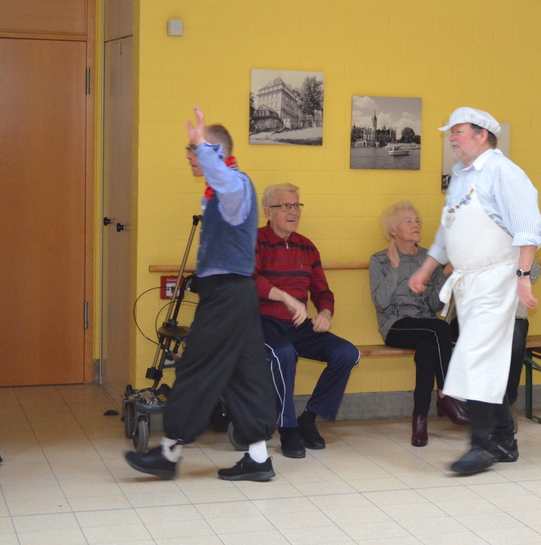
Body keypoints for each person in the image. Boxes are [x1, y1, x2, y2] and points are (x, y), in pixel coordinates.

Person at [125, 106, 277, 481]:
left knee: (195, 366)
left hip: (228, 295)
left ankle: (169, 452)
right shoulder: (218, 193)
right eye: (192, 150)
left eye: (195, 150)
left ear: (216, 153)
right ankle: (259, 460)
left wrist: (203, 148)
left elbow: (224, 180)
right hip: (233, 294)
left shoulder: (236, 186)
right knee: (244, 373)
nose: (191, 157)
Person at [409, 106, 541, 475]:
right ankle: (504, 439)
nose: (452, 138)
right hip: (468, 284)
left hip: (497, 278)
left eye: (459, 131)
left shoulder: (504, 173)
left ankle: (482, 445)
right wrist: (425, 270)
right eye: (450, 132)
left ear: (482, 135)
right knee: (486, 358)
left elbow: (529, 229)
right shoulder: (460, 176)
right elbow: (447, 230)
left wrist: (523, 275)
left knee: (474, 356)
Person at [254, 183, 361, 459]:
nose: (293, 211)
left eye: (296, 205)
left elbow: (323, 292)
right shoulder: (255, 241)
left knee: (347, 353)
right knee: (284, 354)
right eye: (285, 206)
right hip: (263, 324)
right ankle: (287, 428)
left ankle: (308, 419)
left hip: (299, 326)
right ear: (268, 212)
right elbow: (249, 281)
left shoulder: (307, 246)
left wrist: (325, 313)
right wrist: (285, 298)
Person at [369, 200, 469, 447]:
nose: (416, 225)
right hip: (396, 325)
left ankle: (420, 423)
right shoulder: (380, 260)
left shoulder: (428, 258)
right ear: (393, 230)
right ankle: (446, 394)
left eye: (417, 221)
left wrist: (443, 275)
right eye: (408, 222)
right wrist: (394, 269)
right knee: (441, 329)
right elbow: (380, 302)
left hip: (426, 326)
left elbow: (434, 304)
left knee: (427, 350)